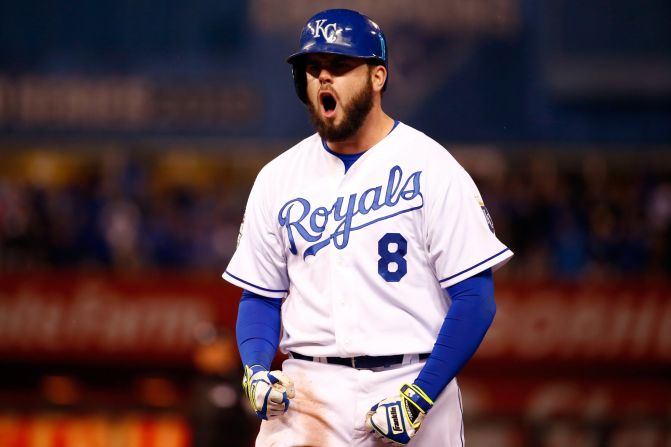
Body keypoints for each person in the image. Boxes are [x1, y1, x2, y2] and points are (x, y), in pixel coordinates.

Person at [223, 8, 513, 446]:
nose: (323, 78)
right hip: (308, 390)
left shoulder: (432, 167)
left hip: (411, 381)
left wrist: (421, 395)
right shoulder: (278, 178)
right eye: (313, 68)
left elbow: (475, 298)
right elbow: (260, 296)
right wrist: (257, 371)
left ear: (377, 77)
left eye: (340, 67)